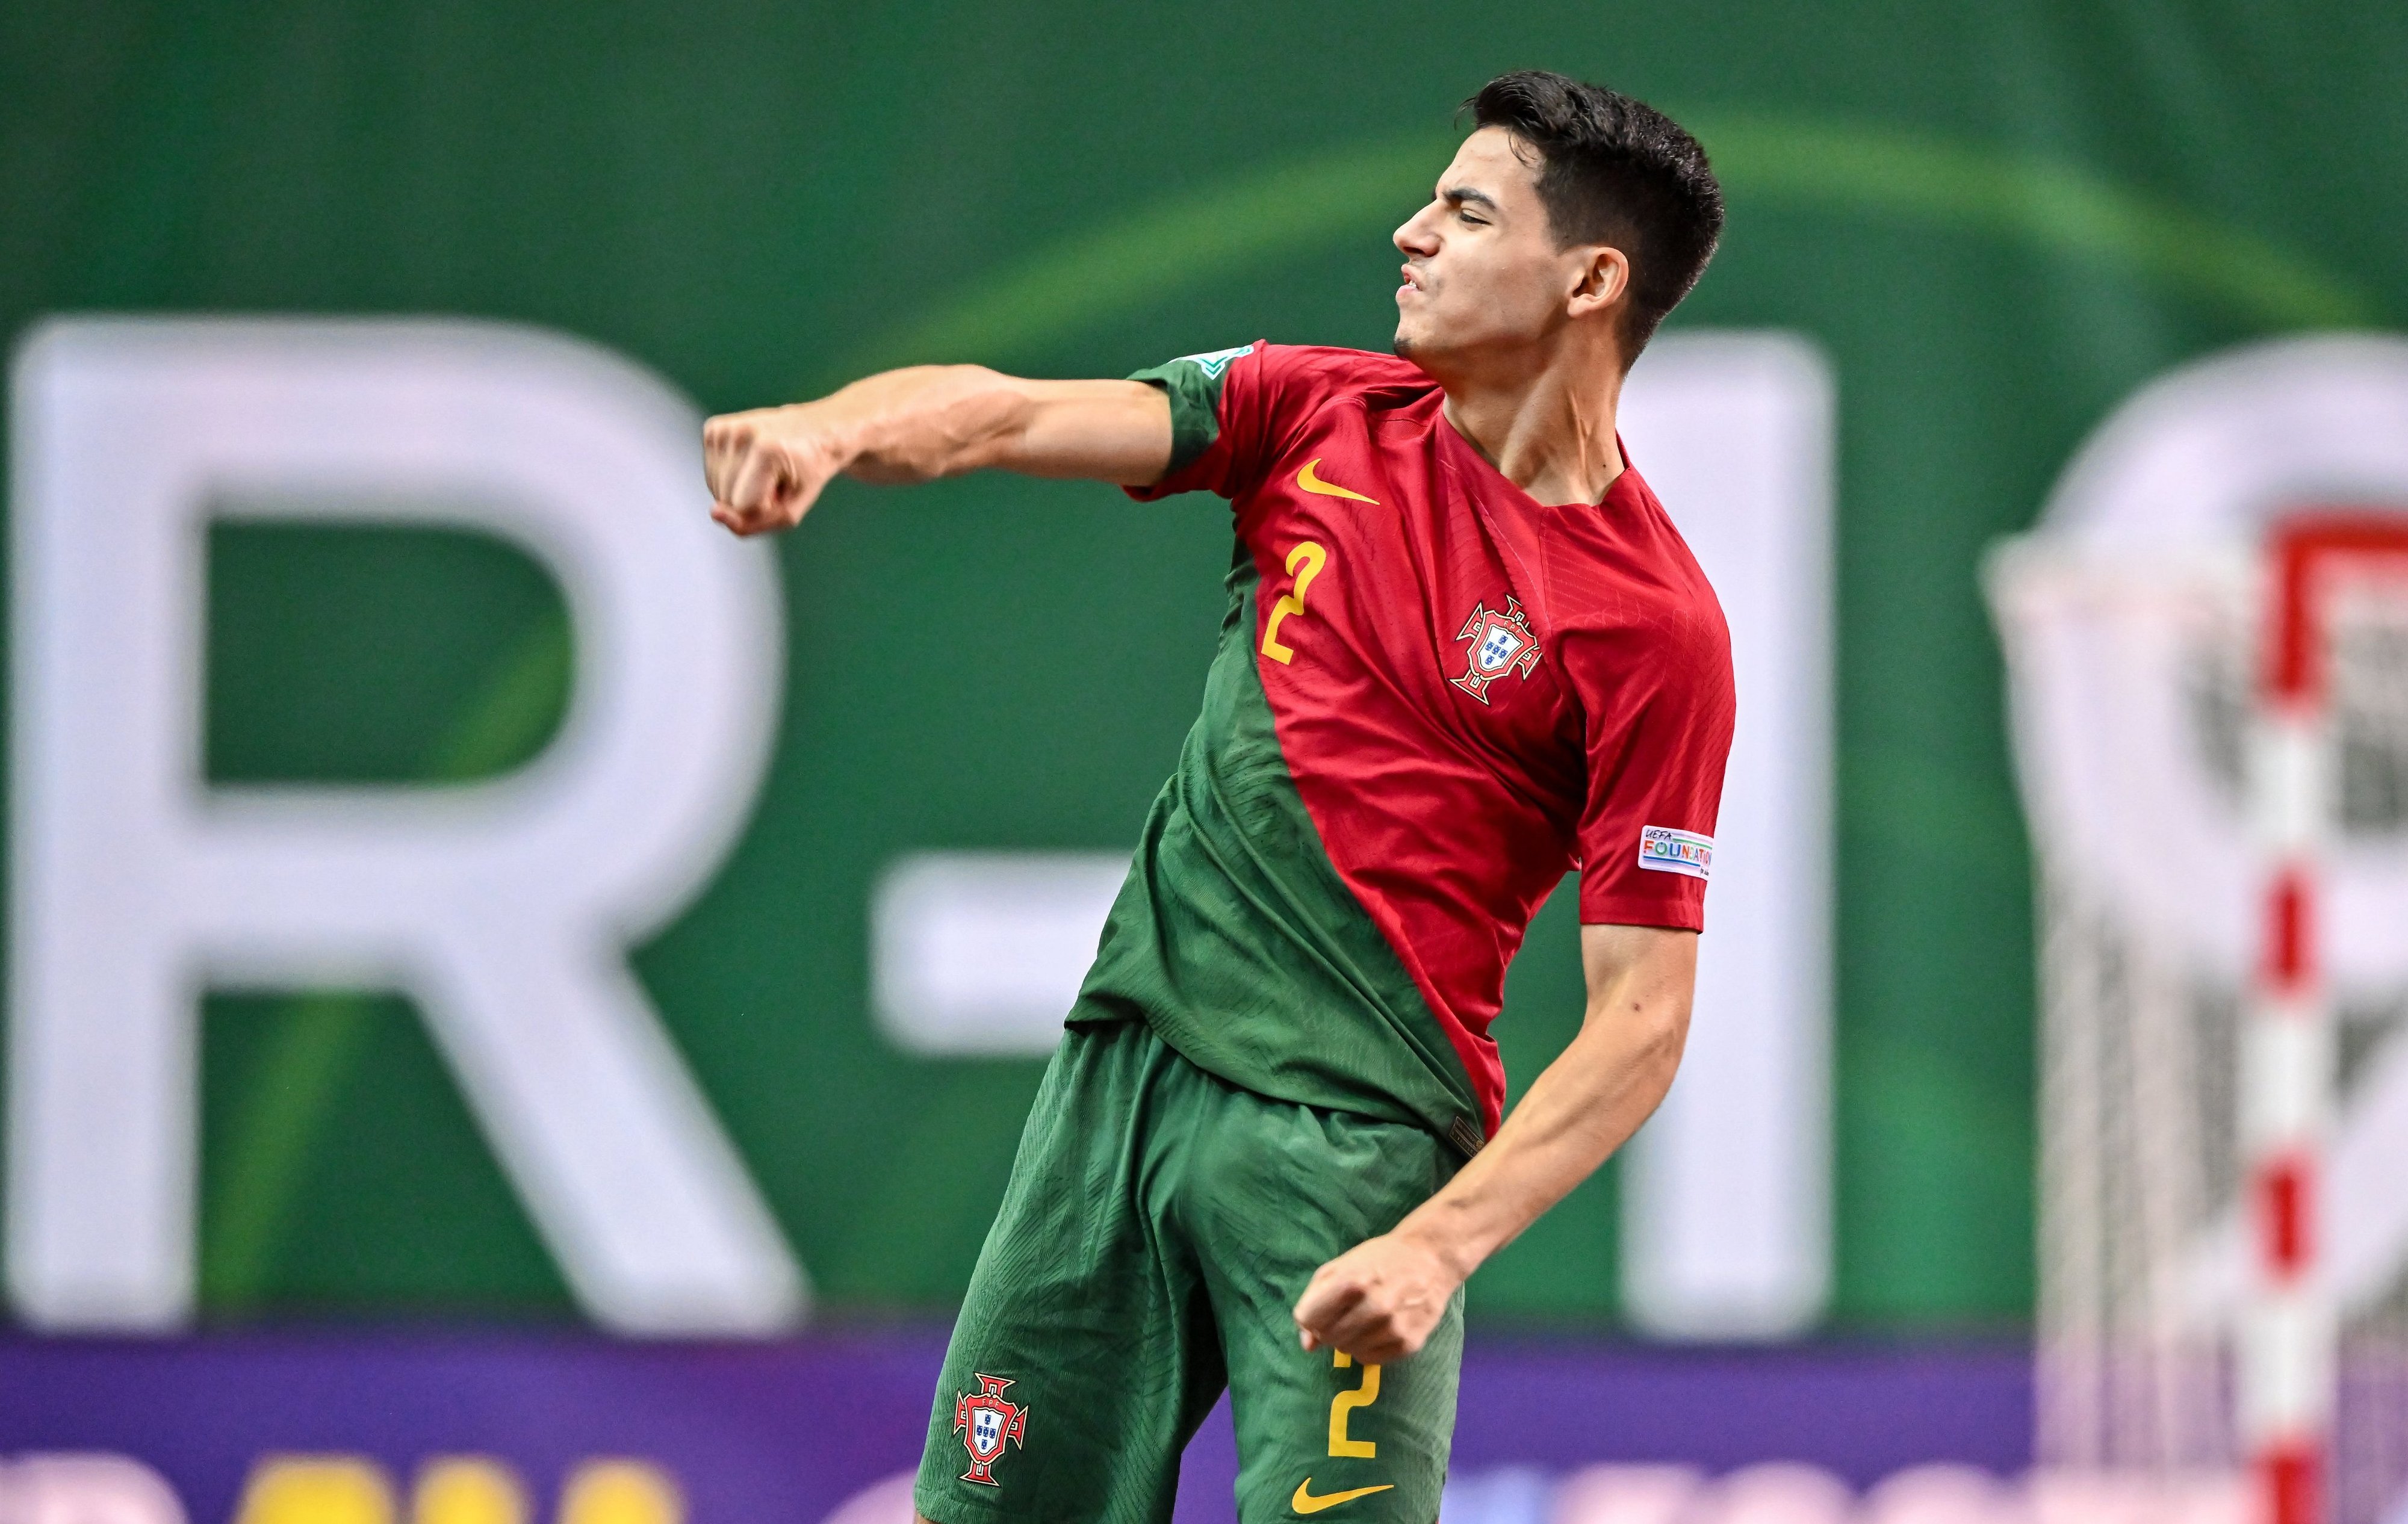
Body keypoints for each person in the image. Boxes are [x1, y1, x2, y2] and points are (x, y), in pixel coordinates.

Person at [703, 69, 1733, 1524]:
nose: (1407, 233)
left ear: (1589, 276)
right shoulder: (1312, 411)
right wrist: (829, 430)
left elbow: (1642, 1018)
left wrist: (1437, 1245)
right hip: (1121, 1090)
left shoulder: (1652, 627)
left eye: (1460, 208)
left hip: (1357, 1156)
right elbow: (997, 415)